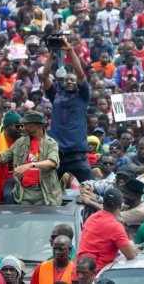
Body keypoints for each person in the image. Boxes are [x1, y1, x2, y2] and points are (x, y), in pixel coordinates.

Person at [0, 111, 62, 206]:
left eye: (27, 125)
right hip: (24, 193)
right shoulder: (21, 142)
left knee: (43, 220)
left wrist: (31, 165)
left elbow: (52, 163)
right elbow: (3, 157)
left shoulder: (51, 143)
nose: (23, 128)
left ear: (38, 126)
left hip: (44, 192)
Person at [41, 35, 94, 183]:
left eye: (72, 80)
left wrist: (69, 49)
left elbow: (80, 73)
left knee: (92, 187)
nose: (70, 81)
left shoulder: (83, 96)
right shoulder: (56, 95)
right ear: (62, 83)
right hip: (57, 154)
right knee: (47, 189)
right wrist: (52, 52)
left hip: (77, 155)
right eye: (66, 80)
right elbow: (44, 76)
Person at [72, 189, 138, 282]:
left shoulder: (91, 218)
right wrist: (136, 249)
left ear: (103, 203)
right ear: (119, 206)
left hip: (76, 275)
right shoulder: (115, 226)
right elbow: (130, 254)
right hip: (92, 278)